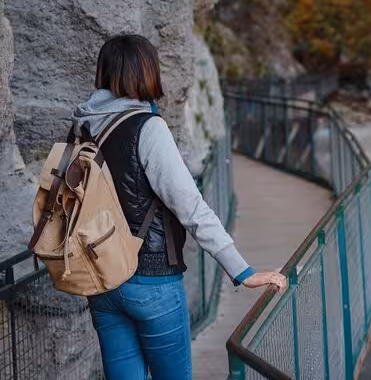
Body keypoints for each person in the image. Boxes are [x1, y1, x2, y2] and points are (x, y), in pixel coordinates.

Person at [71, 34, 287, 380]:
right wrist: (242, 271)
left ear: (105, 72)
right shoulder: (148, 128)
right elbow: (190, 206)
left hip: (102, 277)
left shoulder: (83, 126)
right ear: (146, 73)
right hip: (151, 280)